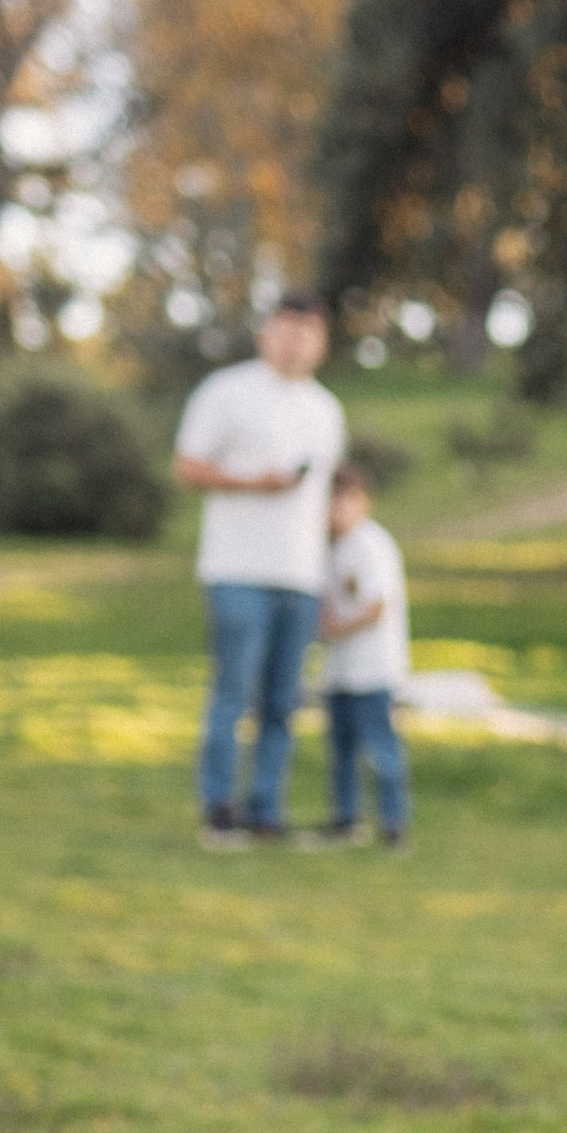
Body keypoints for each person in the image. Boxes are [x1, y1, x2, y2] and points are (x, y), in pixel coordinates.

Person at [173, 294, 348, 847]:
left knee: (283, 701)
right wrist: (256, 482)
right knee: (233, 690)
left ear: (321, 341)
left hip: (300, 576)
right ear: (265, 333)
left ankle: (265, 807)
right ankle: (218, 809)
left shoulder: (327, 410)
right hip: (237, 570)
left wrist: (329, 576)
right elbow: (186, 466)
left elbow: (328, 505)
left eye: (308, 332)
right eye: (287, 330)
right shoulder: (226, 392)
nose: (296, 342)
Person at [317, 462, 411, 846]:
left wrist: (338, 626)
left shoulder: (373, 544)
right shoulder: (329, 547)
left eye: (346, 501)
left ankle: (393, 823)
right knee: (340, 747)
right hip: (339, 670)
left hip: (374, 669)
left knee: (380, 747)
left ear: (364, 502)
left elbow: (375, 605)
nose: (338, 509)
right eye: (332, 501)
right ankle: (346, 818)